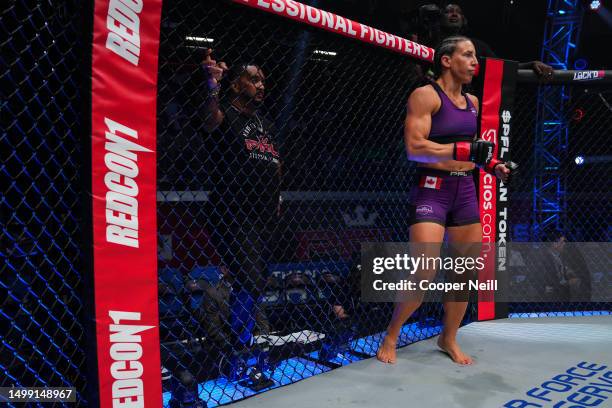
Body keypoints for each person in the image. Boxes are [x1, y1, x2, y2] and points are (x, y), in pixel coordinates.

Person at [376, 36, 517, 365]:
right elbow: (414, 148)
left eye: (475, 56)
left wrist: (494, 166)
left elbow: (474, 149)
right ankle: (392, 334)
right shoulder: (425, 95)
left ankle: (448, 338)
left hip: (465, 189)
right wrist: (461, 151)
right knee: (424, 270)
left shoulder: (474, 102)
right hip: (432, 189)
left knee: (464, 272)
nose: (474, 62)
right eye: (467, 55)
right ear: (446, 60)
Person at [202, 48, 281, 387]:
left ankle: (239, 346)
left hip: (265, 217)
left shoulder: (264, 123)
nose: (261, 84)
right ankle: (238, 352)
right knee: (248, 281)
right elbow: (208, 119)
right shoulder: (226, 114)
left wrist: (278, 195)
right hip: (234, 214)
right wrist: (211, 86)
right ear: (236, 85)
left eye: (263, 79)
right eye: (253, 79)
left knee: (256, 283)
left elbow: (278, 161)